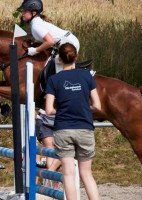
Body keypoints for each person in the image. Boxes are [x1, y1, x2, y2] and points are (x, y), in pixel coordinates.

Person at [45, 43, 101, 200]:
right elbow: (97, 105)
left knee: (68, 174)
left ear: (59, 59)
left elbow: (49, 110)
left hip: (63, 129)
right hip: (84, 128)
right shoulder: (87, 76)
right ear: (76, 57)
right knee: (86, 174)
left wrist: (62, 110)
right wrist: (83, 108)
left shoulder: (53, 79)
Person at [19, 0, 80, 73]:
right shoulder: (36, 23)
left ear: (34, 13)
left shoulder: (35, 26)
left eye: (25, 11)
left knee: (57, 65)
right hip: (67, 40)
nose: (22, 14)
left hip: (69, 43)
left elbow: (50, 41)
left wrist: (35, 51)